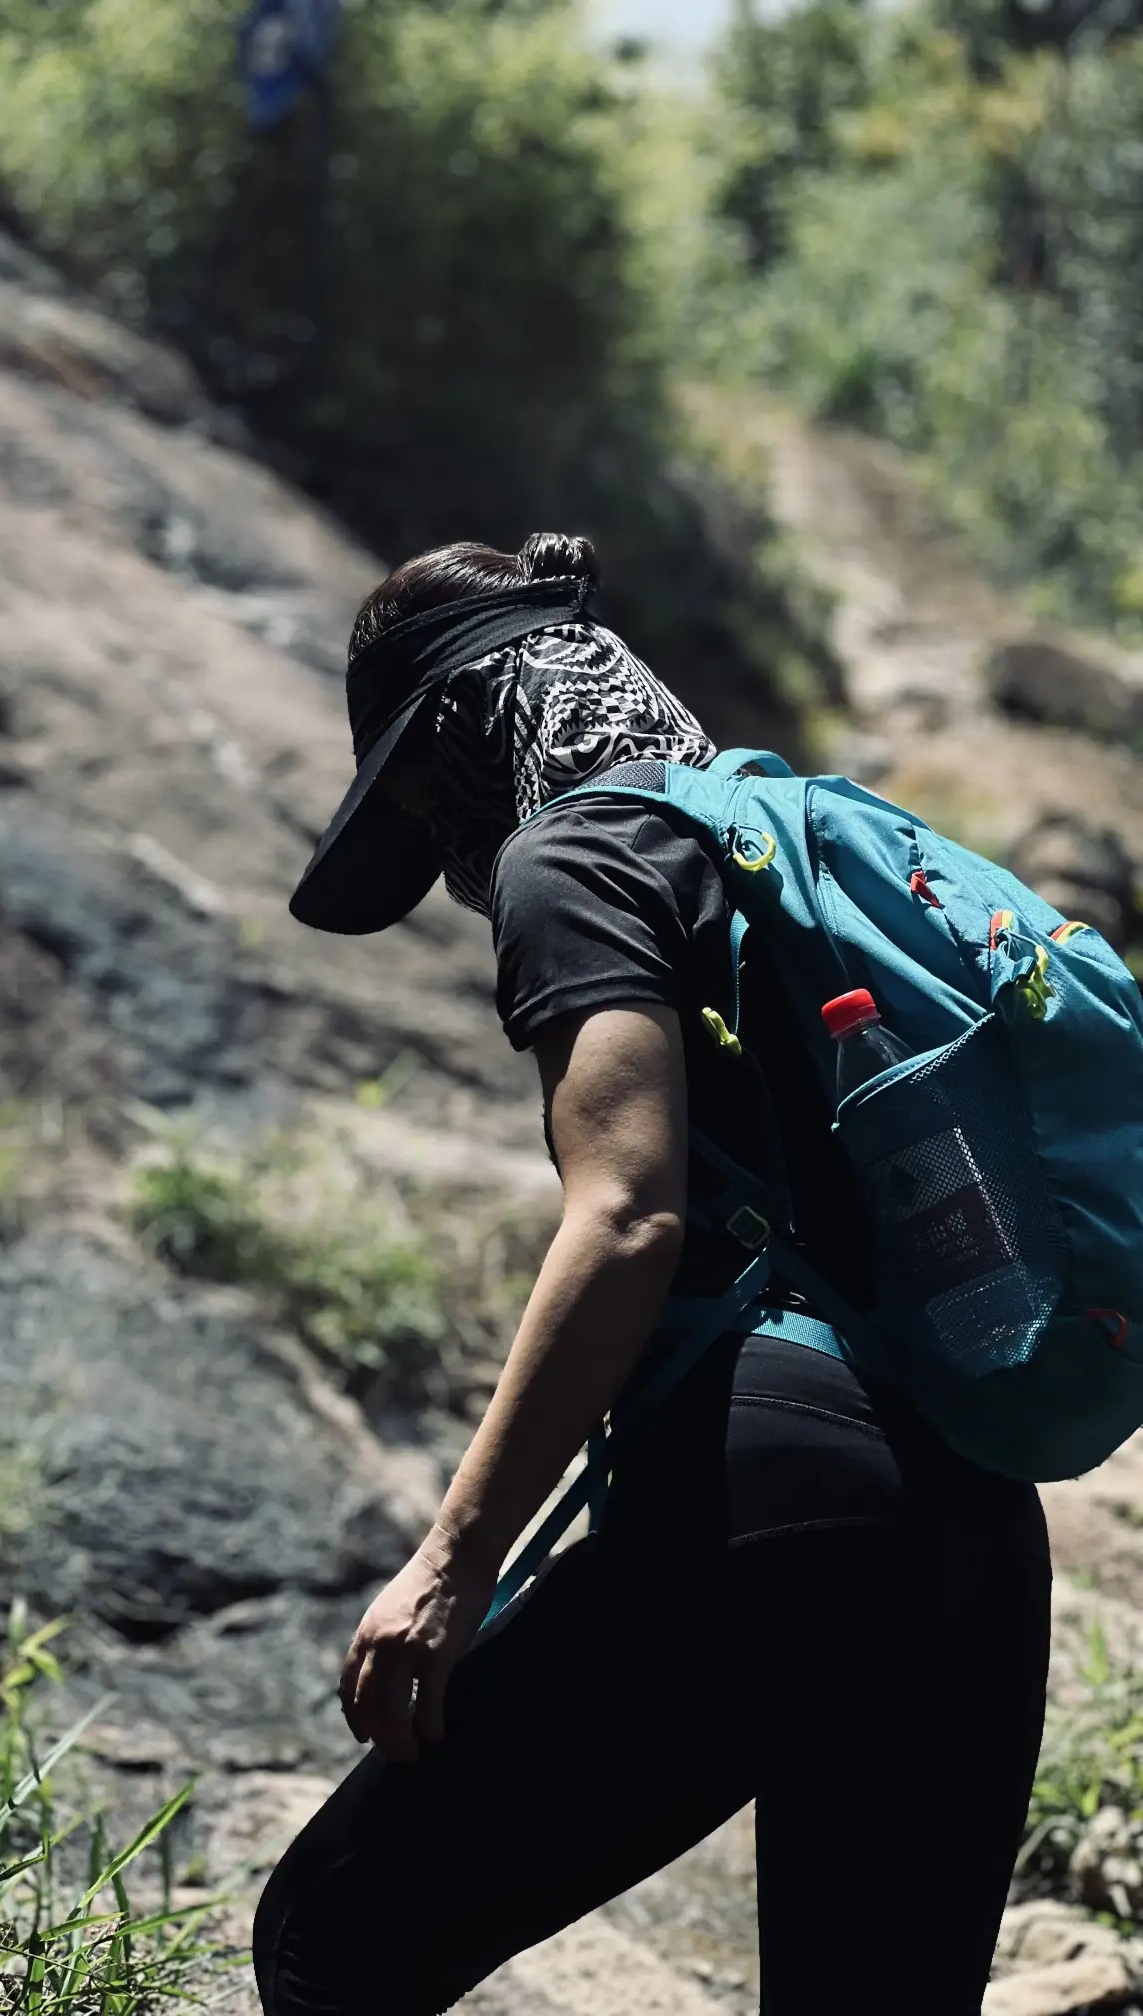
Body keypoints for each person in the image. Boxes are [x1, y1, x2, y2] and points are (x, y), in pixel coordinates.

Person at [253, 533, 1052, 2016]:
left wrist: (451, 1564)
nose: (433, 842)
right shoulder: (795, 850)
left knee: (334, 1939)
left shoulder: (577, 857)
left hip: (784, 1481)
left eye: (418, 796)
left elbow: (628, 1215)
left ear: (467, 731)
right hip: (977, 1521)